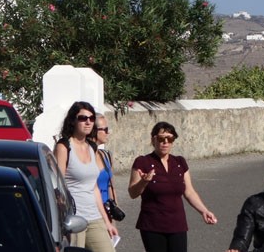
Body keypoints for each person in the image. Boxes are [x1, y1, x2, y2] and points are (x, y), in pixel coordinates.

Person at [128, 121, 217, 252]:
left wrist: (204, 211)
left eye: (169, 139)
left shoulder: (179, 162)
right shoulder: (143, 162)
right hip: (153, 225)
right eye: (161, 138)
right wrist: (144, 182)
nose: (165, 142)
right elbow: (132, 193)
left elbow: (189, 192)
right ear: (153, 140)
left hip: (177, 225)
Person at [54, 101, 118, 252]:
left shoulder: (92, 147)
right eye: (83, 118)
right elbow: (58, 187)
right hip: (75, 219)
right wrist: (63, 221)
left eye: (91, 118)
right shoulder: (64, 147)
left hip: (94, 217)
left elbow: (94, 187)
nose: (88, 122)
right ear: (73, 120)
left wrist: (107, 222)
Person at [95, 113, 122, 223]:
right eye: (105, 129)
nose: (108, 132)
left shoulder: (106, 155)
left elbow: (111, 186)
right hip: (92, 212)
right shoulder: (85, 157)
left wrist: (115, 210)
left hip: (108, 209)